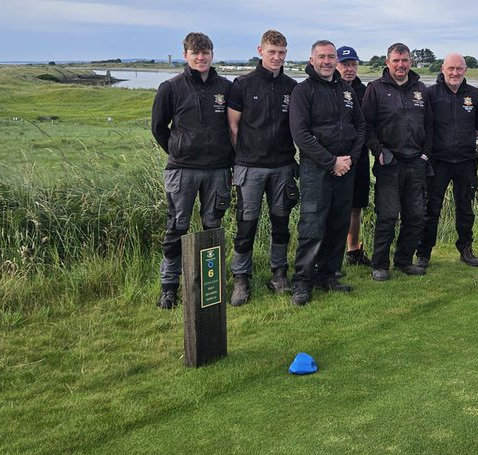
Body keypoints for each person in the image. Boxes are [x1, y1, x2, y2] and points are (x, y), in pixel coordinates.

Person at [149, 32, 233, 309]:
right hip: (182, 170)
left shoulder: (225, 87)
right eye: (195, 52)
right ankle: (169, 287)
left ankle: (211, 282)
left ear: (212, 54)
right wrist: (178, 150)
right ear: (185, 54)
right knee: (177, 228)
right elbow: (159, 128)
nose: (201, 57)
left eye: (206, 52)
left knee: (212, 226)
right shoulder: (170, 87)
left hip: (218, 169)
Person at [288, 40, 365, 305]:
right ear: (312, 60)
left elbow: (361, 127)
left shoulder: (346, 91)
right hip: (316, 170)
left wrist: (350, 160)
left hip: (345, 169)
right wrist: (330, 161)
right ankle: (302, 281)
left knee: (338, 223)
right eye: (321, 57)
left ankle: (328, 275)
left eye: (331, 57)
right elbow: (301, 134)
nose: (327, 61)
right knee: (312, 226)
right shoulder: (303, 91)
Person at [225, 30, 299, 306]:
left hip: (282, 166)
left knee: (281, 223)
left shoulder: (292, 87)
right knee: (247, 224)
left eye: (281, 52)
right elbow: (233, 126)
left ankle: (279, 273)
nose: (277, 57)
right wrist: (244, 155)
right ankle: (241, 278)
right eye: (272, 52)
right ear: (260, 50)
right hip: (250, 167)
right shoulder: (242, 85)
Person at [362, 43, 434, 280]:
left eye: (405, 60)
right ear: (387, 62)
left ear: (410, 62)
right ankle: (380, 264)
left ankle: (404, 260)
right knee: (388, 215)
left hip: (416, 162)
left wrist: (425, 154)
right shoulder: (375, 89)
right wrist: (378, 150)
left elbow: (429, 126)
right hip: (389, 162)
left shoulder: (421, 90)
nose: (401, 65)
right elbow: (366, 126)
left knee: (415, 215)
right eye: (396, 61)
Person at [419, 53, 478, 267]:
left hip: (466, 161)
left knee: (465, 208)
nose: (455, 73)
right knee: (431, 209)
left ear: (465, 70)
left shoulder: (474, 94)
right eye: (451, 68)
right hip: (438, 161)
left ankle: (466, 250)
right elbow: (424, 126)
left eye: (459, 69)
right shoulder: (430, 93)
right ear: (442, 69)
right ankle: (423, 254)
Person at [336, 45, 372, 268]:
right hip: (335, 157)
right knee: (335, 206)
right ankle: (332, 254)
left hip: (359, 156)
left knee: (356, 206)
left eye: (353, 64)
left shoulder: (365, 90)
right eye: (345, 64)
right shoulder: (330, 87)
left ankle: (353, 250)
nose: (349, 69)